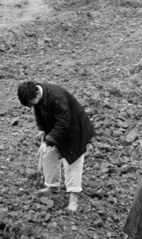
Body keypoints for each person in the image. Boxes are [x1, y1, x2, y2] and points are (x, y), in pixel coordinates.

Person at [17, 80, 95, 212]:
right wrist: (42, 130)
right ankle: (52, 186)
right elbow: (39, 113)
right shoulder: (38, 96)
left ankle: (73, 199)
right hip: (56, 129)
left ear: (35, 95)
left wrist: (48, 141)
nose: (31, 106)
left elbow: (63, 123)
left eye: (31, 103)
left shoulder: (56, 97)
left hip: (74, 130)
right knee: (48, 154)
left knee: (72, 162)